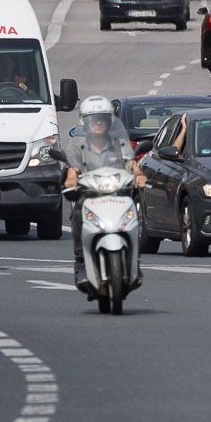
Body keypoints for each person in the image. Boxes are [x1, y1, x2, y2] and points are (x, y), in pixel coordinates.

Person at [62, 95, 142, 282]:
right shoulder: (76, 143)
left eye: (102, 119)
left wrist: (138, 173)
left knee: (132, 215)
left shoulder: (119, 142)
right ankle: (81, 262)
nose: (98, 123)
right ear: (85, 121)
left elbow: (130, 161)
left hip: (117, 193)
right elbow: (72, 163)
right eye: (93, 120)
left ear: (109, 120)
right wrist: (72, 176)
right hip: (89, 194)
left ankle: (133, 260)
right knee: (77, 214)